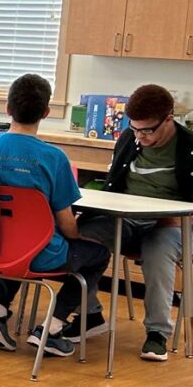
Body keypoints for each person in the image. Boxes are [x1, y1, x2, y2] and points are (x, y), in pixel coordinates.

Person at [0, 74, 109, 357]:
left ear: (7, 109)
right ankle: (52, 328)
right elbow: (67, 224)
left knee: (17, 241)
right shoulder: (53, 158)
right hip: (36, 253)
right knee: (97, 255)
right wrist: (78, 235)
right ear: (46, 112)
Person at [76, 84, 193, 361]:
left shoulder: (189, 146)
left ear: (168, 118)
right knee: (83, 236)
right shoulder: (129, 139)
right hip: (126, 218)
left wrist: (174, 217)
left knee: (157, 249)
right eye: (136, 128)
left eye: (148, 130)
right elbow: (113, 185)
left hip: (173, 225)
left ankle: (157, 333)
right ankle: (90, 314)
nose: (141, 136)